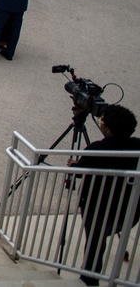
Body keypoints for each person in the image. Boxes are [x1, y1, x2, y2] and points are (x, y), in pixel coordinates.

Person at [67, 105, 140, 286]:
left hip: (98, 211)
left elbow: (79, 172)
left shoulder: (98, 148)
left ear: (107, 128)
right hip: (129, 213)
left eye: (102, 121)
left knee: (95, 243)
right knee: (102, 235)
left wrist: (73, 165)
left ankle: (89, 279)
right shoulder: (137, 146)